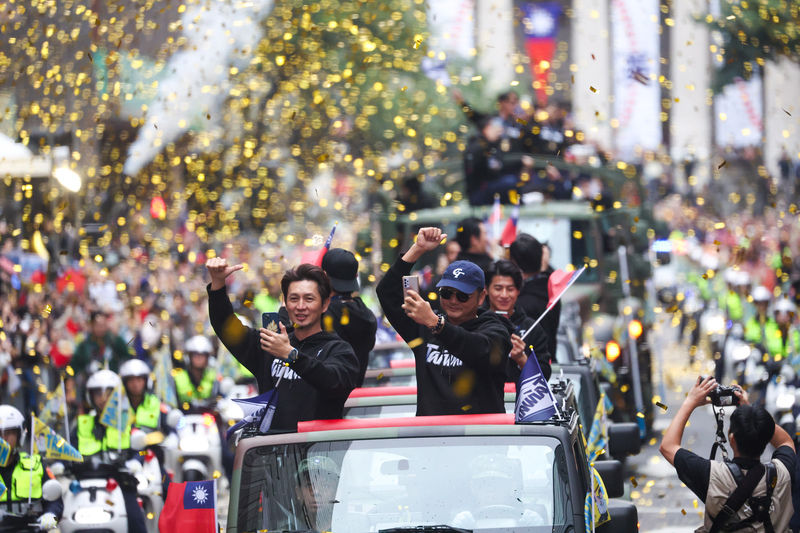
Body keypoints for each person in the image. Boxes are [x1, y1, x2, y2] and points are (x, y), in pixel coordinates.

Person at [206, 259, 359, 431]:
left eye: (309, 299)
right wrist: (218, 283)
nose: (301, 306)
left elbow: (334, 383)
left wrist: (291, 356)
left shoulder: (339, 350)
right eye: (294, 299)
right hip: (272, 453)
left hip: (319, 453)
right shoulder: (270, 344)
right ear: (285, 304)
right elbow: (225, 326)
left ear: (324, 304)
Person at [377, 227, 513, 415]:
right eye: (447, 293)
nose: (453, 301)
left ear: (481, 297)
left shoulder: (497, 329)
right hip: (432, 437)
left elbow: (479, 349)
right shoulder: (424, 326)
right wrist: (417, 248)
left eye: (463, 295)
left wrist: (436, 324)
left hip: (483, 439)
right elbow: (386, 293)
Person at [659, 376, 795, 533]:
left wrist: (690, 401)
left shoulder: (712, 475)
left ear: (732, 439)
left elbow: (667, 446)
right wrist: (751, 412)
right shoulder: (783, 473)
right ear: (765, 439)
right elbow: (786, 442)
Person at [279, 249, 378, 387]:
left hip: (320, 396)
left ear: (323, 275)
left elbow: (287, 339)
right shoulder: (366, 313)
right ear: (355, 275)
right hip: (352, 398)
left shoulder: (324, 314)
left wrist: (285, 309)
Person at [73, 369, 148, 533]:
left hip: (119, 484)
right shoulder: (81, 424)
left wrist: (136, 461)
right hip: (84, 486)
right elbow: (66, 449)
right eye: (98, 393)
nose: (103, 398)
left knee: (136, 520)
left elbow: (141, 449)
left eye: (109, 393)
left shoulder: (127, 424)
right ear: (90, 396)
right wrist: (60, 463)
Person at [484, 260, 552, 383]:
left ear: (518, 291)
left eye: (510, 289)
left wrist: (521, 358)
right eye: (498, 288)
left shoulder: (532, 328)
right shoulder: (475, 323)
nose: (504, 295)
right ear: (486, 290)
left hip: (519, 399)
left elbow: (544, 375)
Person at [0, 405, 63, 527]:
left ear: (20, 435)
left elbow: (56, 502)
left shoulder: (36, 465)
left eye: (9, 433)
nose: (3, 439)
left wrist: (51, 516)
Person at [119, 359, 171, 498]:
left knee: (168, 488)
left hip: (149, 455)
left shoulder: (154, 402)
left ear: (146, 381)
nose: (136, 384)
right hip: (125, 456)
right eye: (131, 380)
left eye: (139, 380)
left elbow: (168, 427)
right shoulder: (117, 406)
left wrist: (173, 435)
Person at [451, 453, 544, 528]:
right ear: (473, 488)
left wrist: (537, 528)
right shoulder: (462, 522)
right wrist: (456, 529)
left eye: (498, 483)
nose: (490, 489)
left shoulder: (528, 521)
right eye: (484, 483)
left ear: (512, 487)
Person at [509, 234, 561, 357]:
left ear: (514, 262)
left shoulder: (519, 304)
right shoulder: (550, 290)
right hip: (550, 362)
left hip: (530, 365)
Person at [173, 335, 220, 408]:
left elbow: (219, 398)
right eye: (195, 354)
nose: (199, 358)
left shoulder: (214, 375)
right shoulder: (178, 376)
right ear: (190, 356)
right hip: (184, 414)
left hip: (208, 415)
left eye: (202, 355)